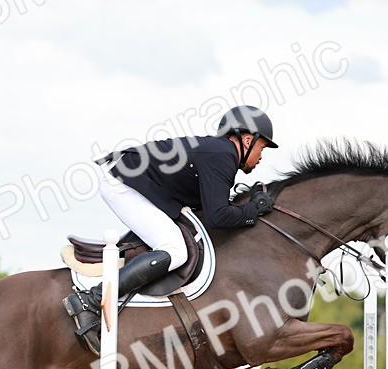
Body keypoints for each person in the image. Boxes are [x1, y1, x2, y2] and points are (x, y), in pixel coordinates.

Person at [64, 105, 279, 350]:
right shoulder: (223, 155)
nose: (261, 157)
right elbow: (218, 216)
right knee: (176, 250)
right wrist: (254, 210)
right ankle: (91, 300)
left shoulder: (218, 152)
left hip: (132, 179)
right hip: (122, 183)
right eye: (262, 148)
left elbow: (210, 210)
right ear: (248, 140)